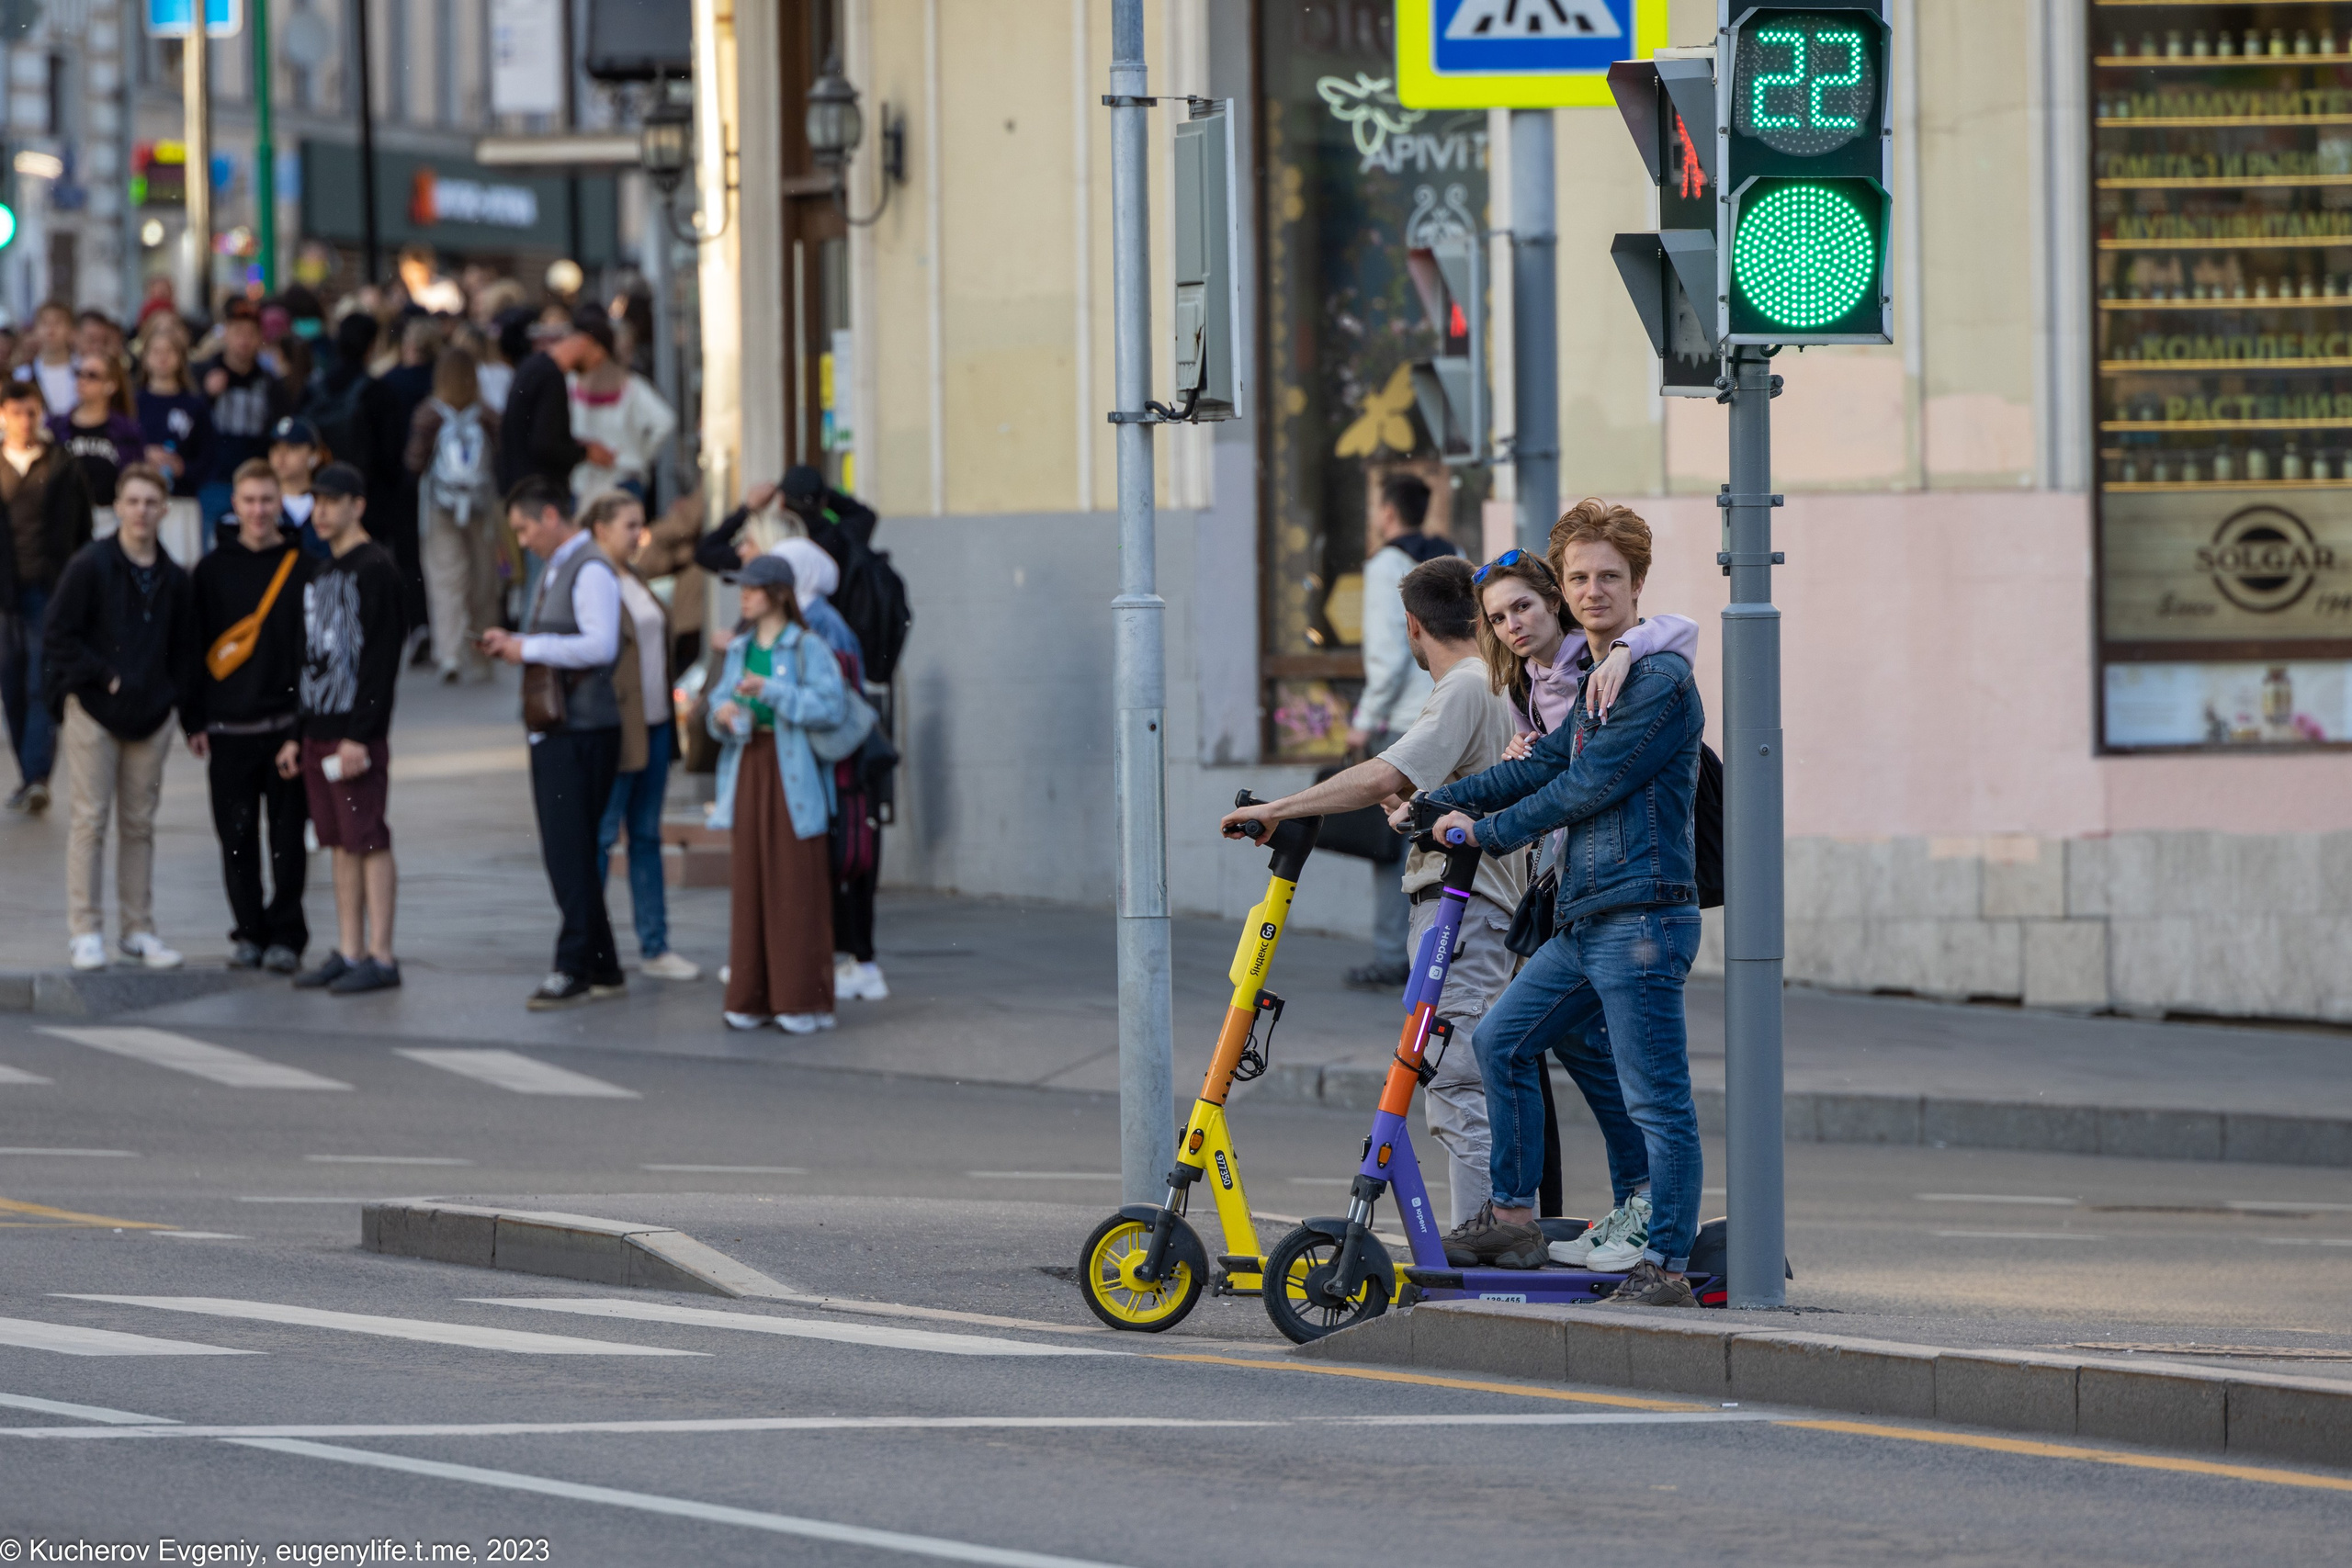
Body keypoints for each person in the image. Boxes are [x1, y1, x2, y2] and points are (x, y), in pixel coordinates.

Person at [1423, 500, 1707, 1308]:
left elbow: (1584, 786)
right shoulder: (1595, 679)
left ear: (1636, 582)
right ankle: (1515, 1216)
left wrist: (1483, 831)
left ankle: (1666, 1266)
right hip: (1586, 917)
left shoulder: (1656, 680)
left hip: (1642, 913)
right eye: (1578, 576)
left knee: (1657, 1096)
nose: (1591, 590)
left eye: (1608, 577)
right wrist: (1432, 803)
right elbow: (1539, 762)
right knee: (1502, 1039)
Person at [1220, 556, 1518, 1227]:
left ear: (1413, 627)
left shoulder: (1468, 685)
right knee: (1456, 1070)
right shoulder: (1488, 685)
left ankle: (1476, 1240)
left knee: (1457, 1079)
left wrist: (1281, 808)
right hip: (1471, 902)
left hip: (1464, 908)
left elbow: (1382, 773)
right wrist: (1415, 806)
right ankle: (1482, 1231)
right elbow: (1423, 785)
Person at [481, 478, 628, 1011]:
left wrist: (528, 646)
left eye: (523, 528)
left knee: (568, 853)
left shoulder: (588, 567)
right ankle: (604, 964)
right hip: (561, 727)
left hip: (582, 730)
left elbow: (600, 643)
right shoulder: (564, 567)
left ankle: (572, 967)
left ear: (549, 516)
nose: (521, 540)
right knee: (574, 854)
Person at [41, 464, 195, 972]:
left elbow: (183, 646)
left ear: (164, 509)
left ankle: (138, 928)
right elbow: (59, 635)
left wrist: (172, 701)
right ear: (118, 508)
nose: (142, 512)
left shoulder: (174, 576)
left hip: (151, 717)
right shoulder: (91, 564)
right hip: (94, 710)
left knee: (140, 825)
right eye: (133, 502)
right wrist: (102, 677)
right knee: (90, 819)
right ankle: (85, 930)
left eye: (151, 502)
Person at [278, 463, 405, 996]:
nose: (321, 511)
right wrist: (296, 730)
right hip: (317, 727)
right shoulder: (319, 571)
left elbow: (379, 659)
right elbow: (307, 658)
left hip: (355, 730)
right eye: (317, 502)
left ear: (358, 504)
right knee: (336, 841)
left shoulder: (377, 567)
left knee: (368, 837)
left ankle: (381, 953)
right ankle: (349, 949)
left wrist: (361, 733)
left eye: (332, 501)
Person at [707, 552, 846, 1033]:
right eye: (741, 587)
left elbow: (833, 706)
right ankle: (750, 1000)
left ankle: (800, 1001)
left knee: (794, 884)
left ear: (779, 594)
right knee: (750, 883)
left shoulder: (806, 646)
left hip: (794, 775)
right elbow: (721, 699)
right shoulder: (741, 648)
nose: (743, 595)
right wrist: (724, 714)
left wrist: (771, 692)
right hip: (751, 767)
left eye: (752, 587)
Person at [185, 459, 312, 973]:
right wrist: (193, 720)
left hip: (283, 729)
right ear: (234, 505)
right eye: (250, 501)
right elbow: (192, 646)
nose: (259, 510)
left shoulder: (302, 567)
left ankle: (286, 933)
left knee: (287, 842)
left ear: (279, 504)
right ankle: (248, 931)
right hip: (228, 730)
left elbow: (312, 655)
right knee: (236, 838)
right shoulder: (211, 571)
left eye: (267, 500)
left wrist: (302, 728)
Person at [1343, 473, 1458, 992]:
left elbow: (1389, 659)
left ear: (1387, 512)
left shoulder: (1386, 565)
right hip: (1451, 709)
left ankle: (1396, 953)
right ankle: (1446, 950)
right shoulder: (1452, 556)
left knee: (1394, 838)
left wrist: (1363, 722)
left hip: (1403, 722)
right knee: (1452, 832)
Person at [582, 490, 698, 982]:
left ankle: (655, 946)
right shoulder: (592, 579)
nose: (639, 534)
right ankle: (587, 945)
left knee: (646, 835)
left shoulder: (634, 576)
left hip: (653, 725)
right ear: (600, 529)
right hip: (618, 728)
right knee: (605, 834)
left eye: (639, 524)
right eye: (629, 525)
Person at [766, 535, 885, 1003]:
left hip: (834, 762)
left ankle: (855, 959)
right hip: (830, 762)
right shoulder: (813, 619)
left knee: (840, 861)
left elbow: (831, 700)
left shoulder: (819, 624)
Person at [1, 379, 95, 814]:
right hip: (5, 595)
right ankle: (28, 775)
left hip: (49, 589)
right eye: (16, 411)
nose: (24, 420)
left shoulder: (61, 464)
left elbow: (83, 527)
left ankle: (38, 775)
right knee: (13, 687)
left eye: (31, 411)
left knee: (43, 683)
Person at [404, 345, 503, 683]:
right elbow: (500, 458)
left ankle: (448, 655)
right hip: (480, 505)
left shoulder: (428, 414)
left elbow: (415, 462)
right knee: (483, 579)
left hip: (439, 506)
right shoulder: (487, 414)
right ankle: (483, 653)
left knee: (445, 578)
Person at [495, 309, 616, 501]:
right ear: (586, 343)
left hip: (521, 489)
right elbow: (545, 443)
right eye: (598, 358)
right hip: (536, 496)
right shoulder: (551, 376)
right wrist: (585, 453)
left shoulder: (535, 367)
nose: (596, 366)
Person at [198, 299, 294, 533]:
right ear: (226, 334)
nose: (244, 340)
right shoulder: (202, 373)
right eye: (238, 332)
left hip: (255, 484)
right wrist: (207, 396)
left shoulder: (270, 383)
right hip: (214, 482)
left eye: (251, 333)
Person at [568, 340, 677, 502]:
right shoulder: (634, 386)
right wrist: (639, 456)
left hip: (587, 482)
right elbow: (665, 421)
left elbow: (666, 422)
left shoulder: (569, 382)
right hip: (619, 476)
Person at [51, 353, 145, 515]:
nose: (82, 380)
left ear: (111, 385)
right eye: (79, 373)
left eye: (92, 375)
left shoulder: (127, 431)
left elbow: (134, 479)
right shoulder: (56, 427)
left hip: (112, 517)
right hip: (66, 518)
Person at [135, 325, 215, 502]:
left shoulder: (195, 405)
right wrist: (143, 453)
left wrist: (182, 468)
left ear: (181, 358)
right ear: (145, 358)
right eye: (156, 351)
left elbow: (207, 455)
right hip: (139, 498)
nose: (163, 357)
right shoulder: (133, 403)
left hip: (181, 499)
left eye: (170, 351)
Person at [267, 417, 328, 557]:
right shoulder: (259, 505)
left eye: (292, 448)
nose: (281, 456)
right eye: (276, 448)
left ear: (315, 455)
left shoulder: (327, 504)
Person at [15, 300, 77, 415]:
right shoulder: (22, 375)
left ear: (71, 330)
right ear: (35, 330)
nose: (51, 330)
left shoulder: (85, 371)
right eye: (44, 323)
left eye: (58, 323)